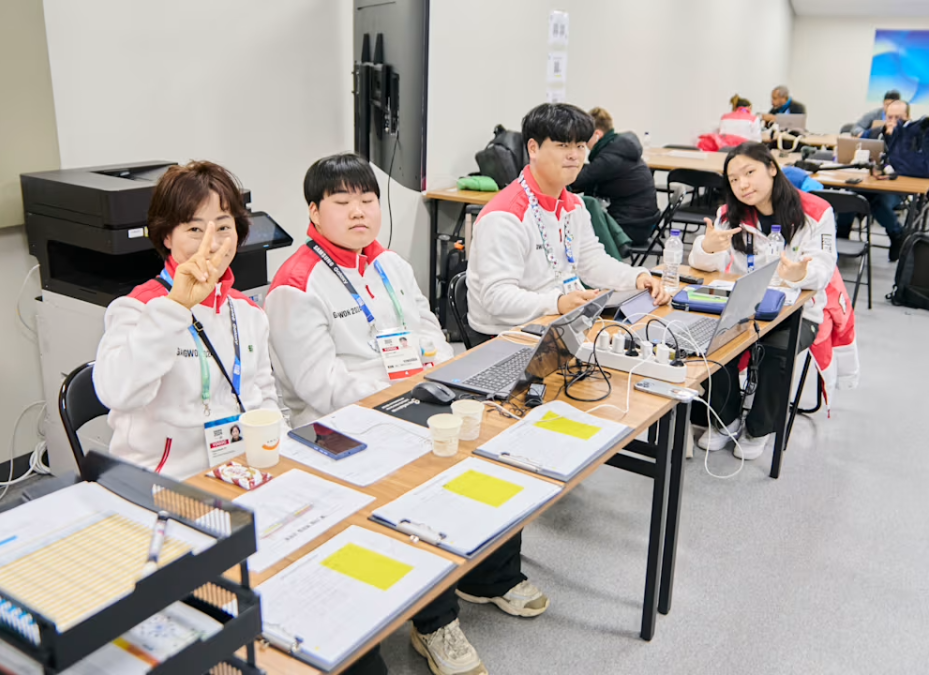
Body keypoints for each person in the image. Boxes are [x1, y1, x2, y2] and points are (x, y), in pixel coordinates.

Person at [266, 152, 543, 675]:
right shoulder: (296, 285)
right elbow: (320, 387)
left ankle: (489, 575)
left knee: (501, 443)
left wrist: (437, 379)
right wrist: (407, 394)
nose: (359, 212)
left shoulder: (388, 263)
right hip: (334, 429)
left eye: (368, 200)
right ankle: (434, 624)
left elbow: (430, 331)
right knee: (426, 480)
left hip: (413, 398)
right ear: (313, 211)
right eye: (342, 202)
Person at [93, 161, 284, 479]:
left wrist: (279, 453)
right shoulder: (137, 309)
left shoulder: (248, 312)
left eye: (223, 228)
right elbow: (116, 392)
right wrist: (176, 306)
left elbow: (262, 395)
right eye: (195, 230)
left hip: (239, 471)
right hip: (165, 481)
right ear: (167, 236)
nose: (211, 243)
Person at [467, 103, 671, 337]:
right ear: (533, 148)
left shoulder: (575, 205)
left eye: (580, 145)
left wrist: (637, 277)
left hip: (561, 321)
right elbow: (497, 298)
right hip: (506, 334)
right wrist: (557, 303)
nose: (574, 155)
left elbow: (591, 262)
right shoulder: (505, 215)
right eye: (563, 145)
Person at [688, 142, 836, 459]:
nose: (743, 184)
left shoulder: (816, 211)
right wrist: (709, 247)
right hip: (745, 307)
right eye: (734, 179)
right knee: (714, 339)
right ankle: (724, 419)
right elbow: (706, 266)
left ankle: (759, 429)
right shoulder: (730, 214)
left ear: (771, 167)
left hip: (798, 312)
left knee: (775, 351)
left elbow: (823, 269)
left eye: (750, 172)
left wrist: (799, 274)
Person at [569, 107, 661, 245]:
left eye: (584, 138)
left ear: (597, 134)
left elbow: (576, 181)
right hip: (644, 223)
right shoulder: (618, 148)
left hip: (631, 227)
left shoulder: (610, 158)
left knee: (575, 226)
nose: (583, 143)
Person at [842, 99, 911, 259]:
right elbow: (857, 149)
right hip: (869, 182)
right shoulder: (875, 133)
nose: (893, 122)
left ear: (907, 118)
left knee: (879, 202)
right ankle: (841, 233)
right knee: (849, 196)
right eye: (890, 117)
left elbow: (914, 167)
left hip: (897, 187)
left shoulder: (912, 138)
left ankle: (896, 234)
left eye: (898, 118)